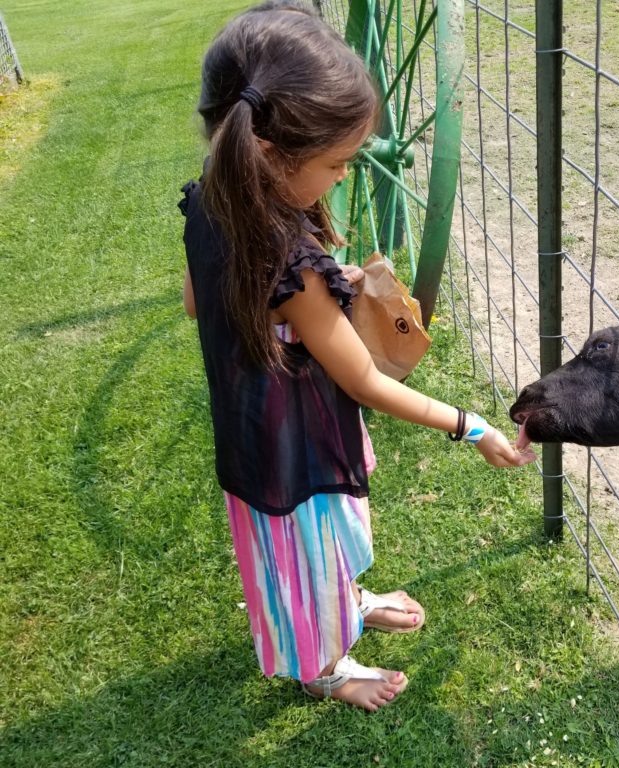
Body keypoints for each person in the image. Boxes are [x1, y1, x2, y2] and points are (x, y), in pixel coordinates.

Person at [179, 1, 535, 712]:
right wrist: (471, 425)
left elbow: (197, 303)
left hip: (253, 432)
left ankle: (346, 600)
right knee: (306, 550)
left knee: (313, 555)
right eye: (338, 163)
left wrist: (298, 312)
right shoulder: (293, 264)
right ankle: (324, 667)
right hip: (293, 449)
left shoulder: (209, 203)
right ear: (273, 157)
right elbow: (366, 381)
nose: (344, 177)